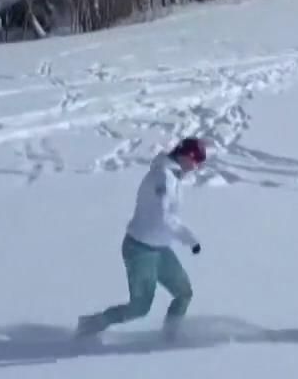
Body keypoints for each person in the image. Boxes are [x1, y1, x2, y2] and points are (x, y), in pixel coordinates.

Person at [79, 137, 207, 338]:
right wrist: (189, 239)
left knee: (184, 293)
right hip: (140, 248)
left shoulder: (173, 176)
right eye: (197, 160)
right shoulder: (162, 178)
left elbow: (167, 218)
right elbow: (163, 217)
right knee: (139, 307)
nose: (197, 166)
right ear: (185, 156)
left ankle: (170, 337)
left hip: (160, 248)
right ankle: (90, 325)